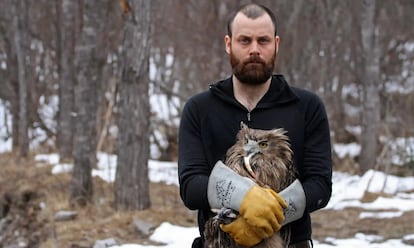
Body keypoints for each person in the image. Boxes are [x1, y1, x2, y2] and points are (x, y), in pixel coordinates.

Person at [178, 3, 332, 248]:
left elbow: (320, 186)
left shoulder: (306, 107)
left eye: (263, 40)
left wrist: (267, 218)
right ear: (228, 43)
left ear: (276, 44)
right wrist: (244, 198)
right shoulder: (200, 109)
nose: (254, 49)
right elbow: (191, 187)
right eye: (244, 40)